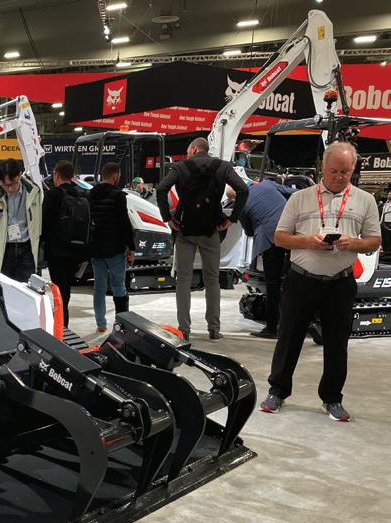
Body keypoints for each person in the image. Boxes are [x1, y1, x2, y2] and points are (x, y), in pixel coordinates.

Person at [259, 142, 381, 421]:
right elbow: (280, 237)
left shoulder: (365, 200)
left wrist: (354, 243)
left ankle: (332, 398)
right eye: (333, 171)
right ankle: (277, 391)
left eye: (345, 172)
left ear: (353, 169)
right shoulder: (299, 198)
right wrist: (307, 242)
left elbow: (374, 240)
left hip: (340, 283)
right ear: (322, 167)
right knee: (289, 338)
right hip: (302, 280)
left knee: (337, 343)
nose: (339, 177)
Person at [156, 137, 249, 340]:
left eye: (188, 150)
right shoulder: (223, 167)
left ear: (194, 149)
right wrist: (232, 219)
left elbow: (161, 189)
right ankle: (214, 329)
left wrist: (167, 218)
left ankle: (184, 330)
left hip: (185, 229)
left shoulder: (180, 167)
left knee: (183, 279)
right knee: (212, 279)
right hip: (211, 229)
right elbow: (243, 190)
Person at [237, 180, 296, 338]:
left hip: (270, 239)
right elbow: (293, 193)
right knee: (297, 279)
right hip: (292, 231)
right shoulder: (268, 184)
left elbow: (249, 231)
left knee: (273, 284)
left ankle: (272, 328)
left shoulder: (241, 202)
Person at [88, 162, 136, 332]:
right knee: (118, 285)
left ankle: (101, 324)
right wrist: (131, 247)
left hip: (96, 247)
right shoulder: (119, 196)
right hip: (115, 248)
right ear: (115, 176)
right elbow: (125, 223)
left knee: (99, 286)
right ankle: (121, 323)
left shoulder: (90, 194)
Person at [41, 160, 89, 326]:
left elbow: (44, 222)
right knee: (66, 289)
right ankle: (63, 323)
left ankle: (61, 325)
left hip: (56, 251)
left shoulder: (53, 195)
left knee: (59, 291)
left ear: (56, 175)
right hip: (77, 250)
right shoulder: (81, 195)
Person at [0, 158, 43, 283]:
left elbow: (38, 221)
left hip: (27, 248)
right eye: (5, 185)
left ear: (19, 175)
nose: (9, 189)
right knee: (4, 287)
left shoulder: (34, 192)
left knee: (26, 288)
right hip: (3, 249)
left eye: (13, 184)